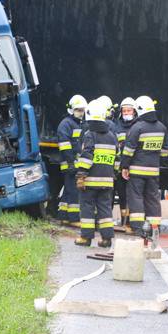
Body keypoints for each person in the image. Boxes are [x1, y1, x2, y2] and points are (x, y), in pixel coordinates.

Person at [120, 96, 168, 237]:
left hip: (136, 171)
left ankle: (138, 227)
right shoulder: (162, 128)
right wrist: (152, 153)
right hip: (153, 172)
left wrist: (124, 167)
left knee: (136, 197)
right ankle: (154, 227)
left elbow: (128, 151)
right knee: (153, 198)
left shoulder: (137, 127)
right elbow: (165, 152)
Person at [74, 99, 118, 247]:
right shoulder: (112, 136)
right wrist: (114, 174)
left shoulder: (89, 134)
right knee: (105, 209)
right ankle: (106, 239)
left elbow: (87, 156)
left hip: (91, 181)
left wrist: (81, 175)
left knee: (87, 208)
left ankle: (86, 238)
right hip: (107, 181)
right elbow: (116, 159)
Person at [56, 95, 87, 224]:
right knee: (73, 191)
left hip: (76, 163)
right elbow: (65, 146)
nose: (80, 113)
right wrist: (71, 162)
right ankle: (74, 218)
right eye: (77, 110)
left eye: (82, 110)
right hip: (69, 164)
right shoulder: (66, 124)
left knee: (68, 190)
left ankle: (63, 215)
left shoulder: (81, 124)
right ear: (71, 110)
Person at [115, 97, 137, 227]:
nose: (127, 113)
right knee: (122, 195)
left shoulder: (137, 126)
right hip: (119, 167)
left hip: (133, 166)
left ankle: (130, 221)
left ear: (134, 112)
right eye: (124, 111)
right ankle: (123, 220)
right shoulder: (117, 125)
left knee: (132, 195)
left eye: (129, 110)